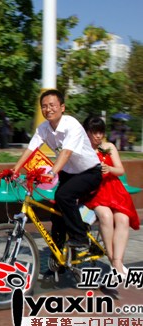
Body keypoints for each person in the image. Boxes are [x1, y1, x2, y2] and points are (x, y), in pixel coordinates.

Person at [12, 89, 102, 258]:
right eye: (44, 106)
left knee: (63, 196)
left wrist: (52, 173)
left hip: (90, 172)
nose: (48, 109)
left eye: (52, 105)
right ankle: (58, 259)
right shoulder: (43, 128)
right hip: (69, 172)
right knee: (57, 214)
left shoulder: (72, 125)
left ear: (62, 107)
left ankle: (80, 237)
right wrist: (15, 170)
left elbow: (66, 153)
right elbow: (31, 149)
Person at [82, 116, 140, 276]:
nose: (98, 136)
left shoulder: (108, 147)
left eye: (101, 132)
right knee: (106, 216)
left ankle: (118, 263)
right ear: (87, 132)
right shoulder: (83, 149)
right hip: (94, 192)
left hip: (114, 190)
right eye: (94, 132)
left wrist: (109, 169)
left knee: (123, 219)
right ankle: (112, 258)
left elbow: (120, 170)